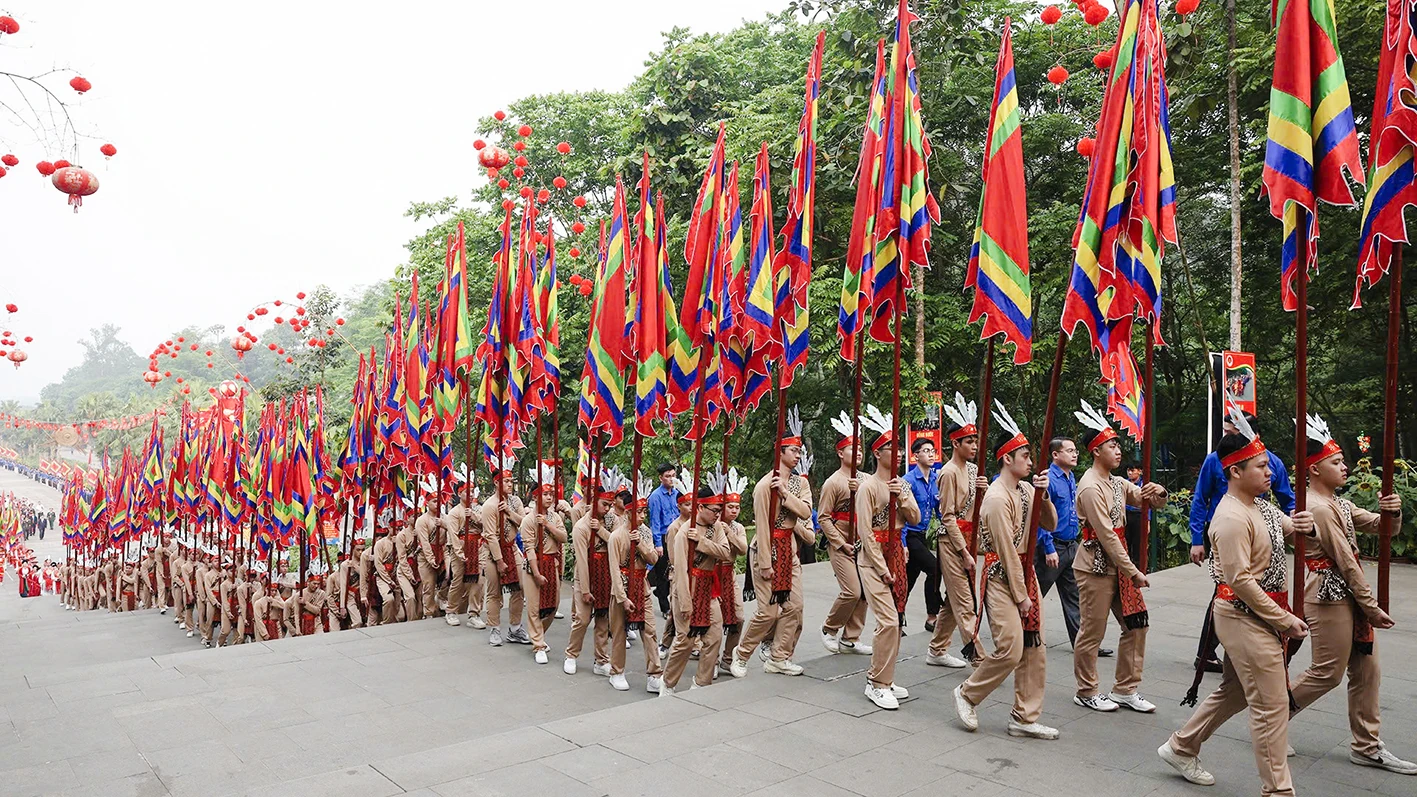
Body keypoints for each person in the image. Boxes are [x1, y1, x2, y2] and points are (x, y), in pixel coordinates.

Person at [1160, 411, 1312, 795]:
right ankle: (1278, 790)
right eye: (1261, 466)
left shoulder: (1261, 506)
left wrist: (1308, 522)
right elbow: (1241, 582)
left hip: (1260, 614)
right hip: (1243, 616)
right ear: (1235, 472)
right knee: (1272, 703)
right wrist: (1283, 619)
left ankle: (1182, 746)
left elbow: (1285, 527)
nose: (1271, 473)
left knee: (1236, 691)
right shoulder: (1228, 517)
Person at [1287, 415, 1415, 775]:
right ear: (1313, 469)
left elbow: (1381, 527)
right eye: (1336, 462)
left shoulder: (1338, 503)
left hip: (1348, 597)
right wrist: (1371, 607)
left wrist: (1393, 510)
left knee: (1367, 670)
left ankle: (1367, 745)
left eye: (1343, 461)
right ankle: (1273, 718)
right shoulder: (1318, 506)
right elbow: (1345, 560)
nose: (1344, 467)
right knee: (1327, 672)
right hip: (1328, 596)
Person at [952, 405, 1059, 739]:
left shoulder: (1027, 490)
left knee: (1035, 647)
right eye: (1025, 455)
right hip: (1002, 576)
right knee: (1011, 647)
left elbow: (1050, 524)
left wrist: (1044, 496)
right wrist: (1022, 596)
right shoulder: (996, 498)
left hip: (1024, 572)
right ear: (1007, 458)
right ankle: (968, 693)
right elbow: (1008, 551)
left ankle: (1024, 717)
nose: (1030, 461)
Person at [1071, 402, 1167, 713]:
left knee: (1137, 625)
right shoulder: (1090, 487)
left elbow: (1145, 500)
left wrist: (1158, 492)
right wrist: (1134, 571)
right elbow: (1107, 535)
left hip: (1119, 566)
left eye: (1117, 445)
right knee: (1093, 631)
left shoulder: (1116, 482)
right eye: (1112, 445)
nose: (1118, 451)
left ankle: (1125, 689)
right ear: (1096, 450)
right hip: (1096, 567)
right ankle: (1086, 690)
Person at [1188, 411, 1296, 673]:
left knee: (1253, 591)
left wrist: (1297, 523)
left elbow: (1288, 500)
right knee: (1226, 591)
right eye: (1226, 433)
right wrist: (1196, 540)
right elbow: (1200, 499)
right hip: (1228, 535)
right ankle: (1206, 654)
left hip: (1262, 534)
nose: (1227, 438)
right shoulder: (1214, 461)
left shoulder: (1273, 463)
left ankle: (1245, 652)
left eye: (1232, 434)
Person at [730, 418, 815, 678]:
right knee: (767, 612)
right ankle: (742, 653)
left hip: (789, 549)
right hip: (767, 550)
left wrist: (786, 496)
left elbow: (806, 511)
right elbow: (763, 528)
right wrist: (765, 563)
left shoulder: (800, 484)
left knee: (795, 607)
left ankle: (779, 656)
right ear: (780, 451)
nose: (798, 455)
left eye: (800, 451)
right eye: (794, 450)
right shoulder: (764, 486)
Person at [854, 406, 919, 710]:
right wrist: (881, 568)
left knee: (897, 621)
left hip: (896, 553)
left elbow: (916, 518)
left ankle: (887, 677)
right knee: (888, 621)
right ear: (878, 452)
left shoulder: (901, 484)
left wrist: (903, 496)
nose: (900, 453)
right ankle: (876, 683)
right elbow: (865, 532)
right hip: (873, 559)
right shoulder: (867, 487)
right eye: (892, 448)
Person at [929, 394, 987, 667]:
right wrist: (964, 551)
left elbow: (977, 510)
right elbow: (948, 516)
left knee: (955, 599)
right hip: (952, 542)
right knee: (966, 602)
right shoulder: (949, 472)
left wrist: (983, 493)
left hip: (970, 540)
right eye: (969, 441)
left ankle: (937, 649)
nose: (974, 445)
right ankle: (981, 660)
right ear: (955, 444)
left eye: (975, 440)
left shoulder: (974, 470)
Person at [660, 486, 733, 696]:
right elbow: (680, 570)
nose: (718, 514)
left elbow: (725, 552)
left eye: (719, 510)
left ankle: (702, 682)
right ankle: (668, 682)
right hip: (688, 588)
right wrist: (685, 602)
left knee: (714, 637)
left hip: (709, 588)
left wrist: (701, 542)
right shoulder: (682, 533)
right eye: (714, 510)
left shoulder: (716, 527)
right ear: (700, 507)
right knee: (685, 640)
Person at [817, 413, 871, 656]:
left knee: (865, 591)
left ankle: (851, 637)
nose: (858, 452)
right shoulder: (833, 482)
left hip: (862, 542)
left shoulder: (866, 480)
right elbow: (823, 517)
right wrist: (839, 543)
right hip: (840, 542)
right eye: (853, 448)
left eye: (860, 448)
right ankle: (829, 628)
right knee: (852, 590)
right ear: (840, 453)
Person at [1034, 436, 1092, 652]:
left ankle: (1081, 643)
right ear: (1055, 454)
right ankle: (1020, 634)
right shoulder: (1048, 479)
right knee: (1035, 593)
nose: (1075, 454)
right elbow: (1042, 517)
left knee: (1074, 595)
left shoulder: (1070, 477)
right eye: (1069, 450)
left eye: (1075, 450)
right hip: (1052, 547)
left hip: (1070, 546)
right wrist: (1048, 548)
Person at [608, 489, 664, 693]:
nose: (642, 516)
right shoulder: (616, 536)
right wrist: (622, 597)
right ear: (628, 512)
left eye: (644, 512)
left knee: (649, 630)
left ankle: (655, 673)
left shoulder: (645, 532)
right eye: (638, 512)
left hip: (643, 587)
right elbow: (614, 569)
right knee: (619, 632)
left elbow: (653, 559)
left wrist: (639, 544)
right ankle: (617, 671)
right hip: (622, 589)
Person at [564, 483, 615, 676]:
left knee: (603, 619)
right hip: (586, 576)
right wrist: (585, 589)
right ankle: (571, 654)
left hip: (605, 575)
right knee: (582, 619)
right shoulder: (581, 527)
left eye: (609, 505)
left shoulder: (611, 521)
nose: (607, 509)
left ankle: (601, 660)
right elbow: (582, 560)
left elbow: (618, 543)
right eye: (604, 504)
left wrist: (601, 531)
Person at [520, 473, 568, 666]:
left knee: (553, 606)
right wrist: (537, 573)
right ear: (535, 496)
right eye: (546, 494)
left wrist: (547, 525)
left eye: (551, 494)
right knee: (534, 607)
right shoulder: (528, 521)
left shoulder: (554, 517)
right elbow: (529, 549)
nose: (549, 497)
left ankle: (539, 634)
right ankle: (538, 644)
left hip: (553, 564)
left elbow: (564, 537)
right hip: (534, 567)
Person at [481, 466, 530, 646]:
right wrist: (500, 561)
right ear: (496, 483)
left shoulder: (515, 502)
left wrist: (509, 512)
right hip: (493, 553)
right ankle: (494, 628)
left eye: (511, 481)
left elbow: (525, 523)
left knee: (520, 588)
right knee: (494, 592)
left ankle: (515, 628)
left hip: (512, 548)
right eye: (506, 481)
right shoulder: (489, 506)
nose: (510, 484)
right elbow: (491, 536)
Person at [902, 438, 943, 632]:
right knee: (935, 569)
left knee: (909, 579)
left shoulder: (935, 479)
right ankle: (932, 617)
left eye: (932, 450)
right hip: (910, 535)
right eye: (926, 451)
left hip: (922, 535)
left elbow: (939, 507)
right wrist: (902, 544)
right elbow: (901, 514)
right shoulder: (908, 480)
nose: (931, 454)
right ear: (915, 456)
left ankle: (896, 617)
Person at [647, 463, 680, 617]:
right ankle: (665, 607)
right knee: (662, 573)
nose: (671, 479)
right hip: (663, 537)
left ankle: (661, 592)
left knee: (676, 569)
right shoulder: (655, 496)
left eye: (673, 475)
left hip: (677, 536)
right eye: (667, 476)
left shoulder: (678, 493)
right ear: (660, 478)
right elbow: (655, 522)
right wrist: (658, 544)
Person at [414, 501, 447, 619]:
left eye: (438, 500)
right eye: (434, 501)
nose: (436, 503)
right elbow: (424, 542)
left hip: (443, 552)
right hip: (425, 555)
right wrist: (431, 558)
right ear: (427, 503)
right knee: (429, 585)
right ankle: (429, 612)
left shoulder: (445, 517)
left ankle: (442, 597)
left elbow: (454, 531)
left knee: (450, 576)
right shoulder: (422, 520)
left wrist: (444, 524)